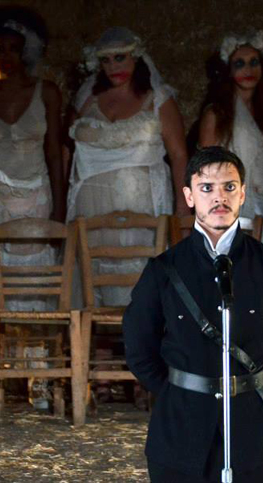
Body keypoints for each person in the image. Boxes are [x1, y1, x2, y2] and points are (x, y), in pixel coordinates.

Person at [123, 146, 263, 483]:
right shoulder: (164, 269)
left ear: (242, 194)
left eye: (229, 187)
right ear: (189, 196)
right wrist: (177, 393)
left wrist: (261, 393)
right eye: (207, 188)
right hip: (179, 430)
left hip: (252, 432)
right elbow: (138, 346)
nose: (219, 198)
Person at [66, 27, 188, 406]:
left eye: (121, 57)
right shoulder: (87, 96)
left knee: (140, 287)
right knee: (97, 285)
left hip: (143, 208)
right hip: (93, 207)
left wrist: (183, 211)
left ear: (136, 57)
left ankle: (142, 374)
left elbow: (179, 155)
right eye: (106, 59)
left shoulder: (158, 98)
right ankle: (101, 372)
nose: (114, 66)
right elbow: (68, 153)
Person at [0, 13, 63, 410]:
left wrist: (60, 206)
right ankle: (1, 374)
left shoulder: (47, 92)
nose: (6, 56)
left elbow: (54, 152)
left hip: (36, 195)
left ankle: (39, 376)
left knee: (35, 282)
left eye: (13, 49)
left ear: (27, 52)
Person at [198, 28, 263, 247]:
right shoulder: (216, 114)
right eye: (240, 64)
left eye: (254, 62)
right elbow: (204, 172)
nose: (248, 70)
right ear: (228, 70)